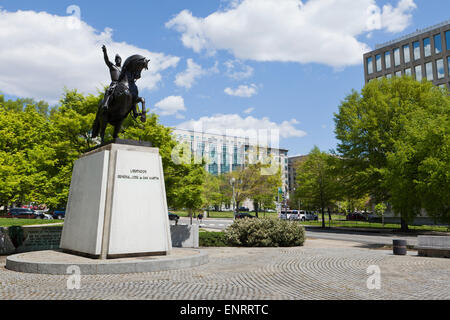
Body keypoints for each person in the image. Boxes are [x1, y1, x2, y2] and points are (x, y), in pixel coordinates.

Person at [101, 45, 122, 112]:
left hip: (122, 84)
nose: (118, 60)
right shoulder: (112, 66)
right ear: (115, 60)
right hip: (114, 83)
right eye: (116, 59)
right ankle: (105, 104)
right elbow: (106, 60)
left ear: (121, 60)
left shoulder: (123, 69)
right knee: (108, 90)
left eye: (119, 59)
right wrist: (105, 52)